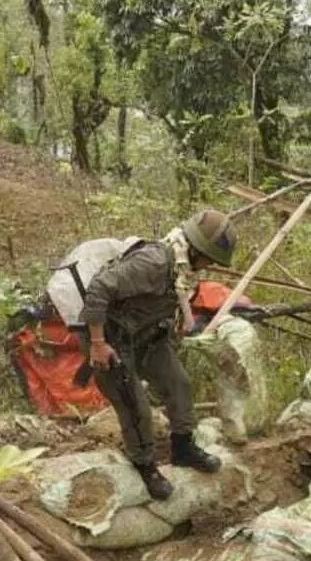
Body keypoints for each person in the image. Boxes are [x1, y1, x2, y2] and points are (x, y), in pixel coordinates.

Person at [81, 209, 236, 500]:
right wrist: (98, 343)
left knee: (179, 384)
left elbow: (170, 305)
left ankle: (183, 447)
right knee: (136, 407)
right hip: (110, 338)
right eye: (208, 259)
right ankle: (145, 465)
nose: (208, 266)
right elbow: (99, 289)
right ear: (195, 249)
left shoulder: (183, 275)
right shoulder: (152, 263)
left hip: (146, 336)